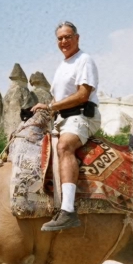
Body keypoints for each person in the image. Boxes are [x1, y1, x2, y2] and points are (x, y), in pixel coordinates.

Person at [31, 21, 101, 231]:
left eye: (68, 37)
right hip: (63, 119)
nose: (64, 41)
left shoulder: (84, 60)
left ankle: (68, 211)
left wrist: (51, 106)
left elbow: (82, 94)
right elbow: (58, 97)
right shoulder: (62, 66)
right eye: (60, 38)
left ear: (77, 38)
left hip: (82, 116)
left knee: (64, 147)